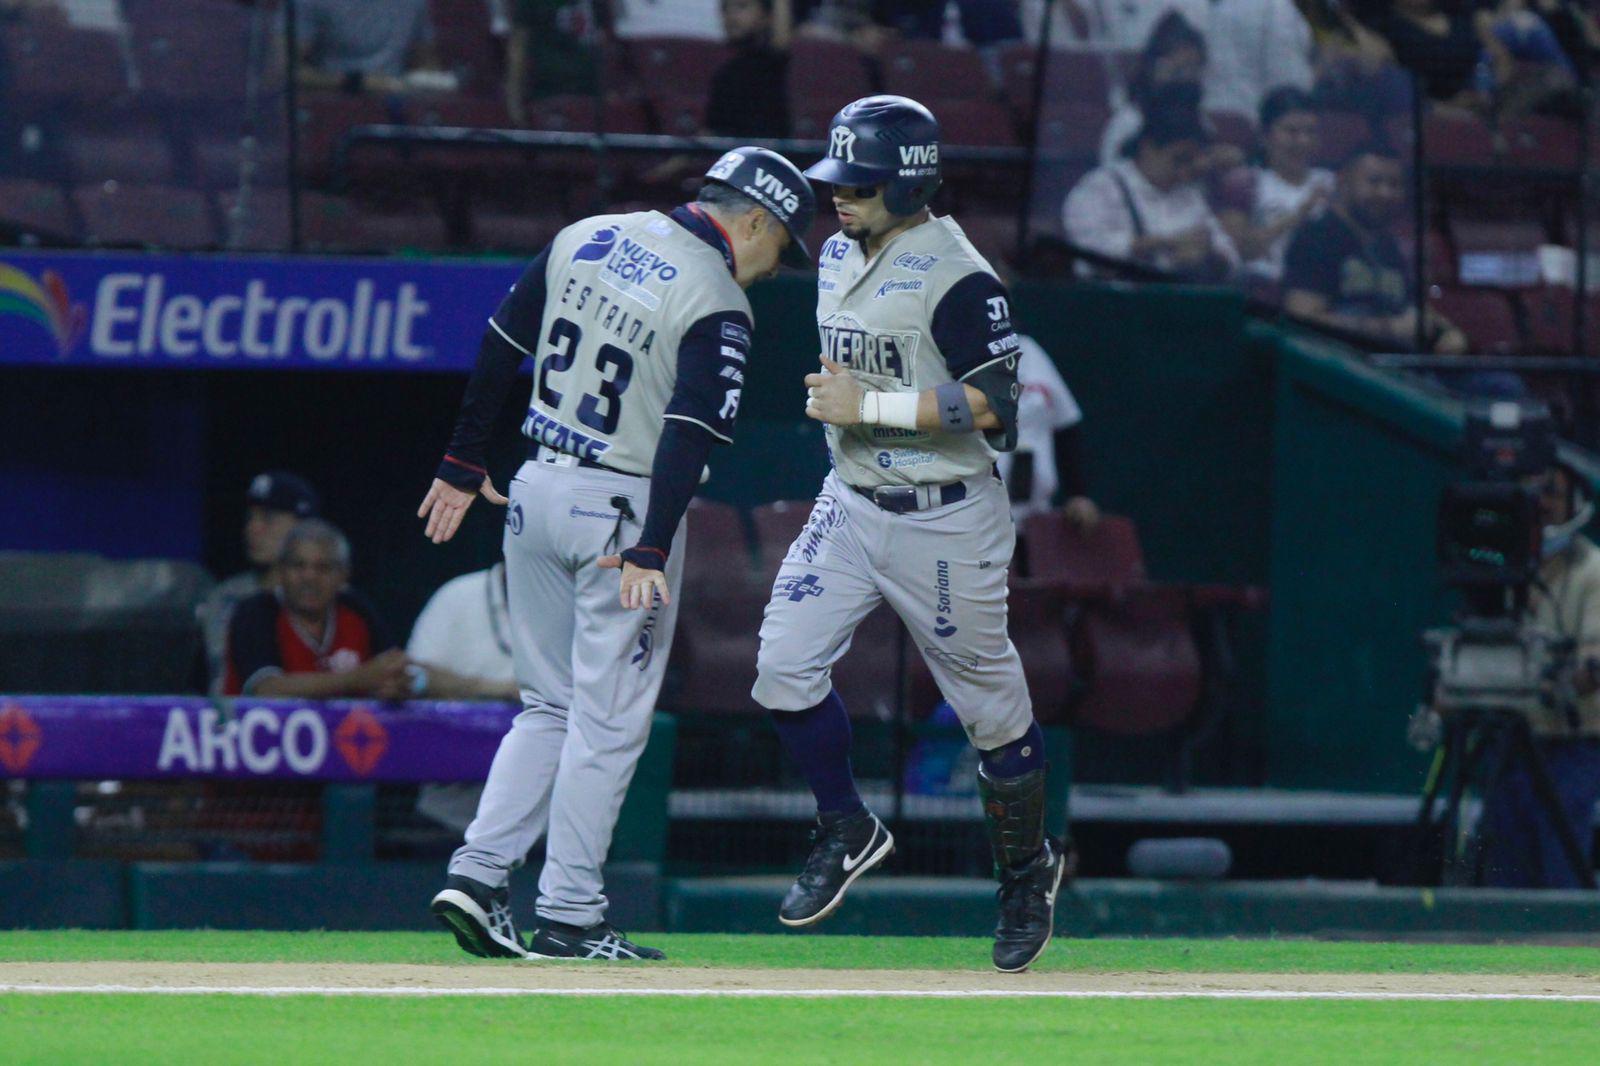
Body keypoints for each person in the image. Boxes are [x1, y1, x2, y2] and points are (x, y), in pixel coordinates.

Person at [417, 149, 816, 961]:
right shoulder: (716, 297)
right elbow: (690, 432)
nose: (776, 268)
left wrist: (462, 460)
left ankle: (480, 872)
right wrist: (653, 543)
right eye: (780, 247)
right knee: (608, 720)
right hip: (623, 511)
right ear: (752, 222)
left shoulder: (588, 233)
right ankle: (569, 913)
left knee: (547, 705)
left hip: (534, 487)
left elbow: (499, 344)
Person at [756, 94, 1068, 974]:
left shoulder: (958, 273)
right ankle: (847, 827)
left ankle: (1024, 873)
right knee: (781, 668)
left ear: (910, 183)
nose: (838, 198)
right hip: (852, 499)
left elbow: (999, 409)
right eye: (837, 181)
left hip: (946, 516)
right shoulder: (832, 253)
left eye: (858, 185)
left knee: (991, 716)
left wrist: (874, 405)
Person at [1479, 460, 1600, 888]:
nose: (1542, 503)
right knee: (1506, 874)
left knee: (1560, 874)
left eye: (1552, 492)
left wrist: (1562, 675)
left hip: (1569, 747)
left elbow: (1593, 664)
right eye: (1534, 492)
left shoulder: (1592, 569)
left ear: (1575, 503)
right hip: (1510, 745)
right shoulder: (1504, 565)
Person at [1282, 144, 1467, 354]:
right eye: (1374, 182)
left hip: (1400, 366)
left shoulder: (1388, 247)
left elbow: (1410, 308)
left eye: (1394, 184)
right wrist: (1388, 329)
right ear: (1343, 181)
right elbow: (1302, 321)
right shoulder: (1317, 238)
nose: (1385, 193)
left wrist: (1446, 331)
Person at [222, 519, 413, 699]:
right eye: (298, 566)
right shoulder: (255, 612)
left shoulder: (356, 607)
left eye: (323, 568)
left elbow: (394, 667)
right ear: (280, 571)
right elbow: (266, 690)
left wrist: (395, 686)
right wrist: (358, 679)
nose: (310, 577)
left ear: (343, 575)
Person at [1064, 102, 1240, 280]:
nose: (1184, 172)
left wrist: (1207, 254)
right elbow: (1088, 252)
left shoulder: (1189, 195)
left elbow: (1230, 258)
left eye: (1191, 163)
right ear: (1147, 148)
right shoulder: (1100, 187)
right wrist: (1163, 243)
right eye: (1179, 160)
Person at [408, 562, 522, 834]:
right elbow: (414, 677)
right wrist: (499, 690)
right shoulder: (458, 595)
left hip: (541, 824)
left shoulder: (567, 599)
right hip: (448, 814)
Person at [198, 471, 320, 693]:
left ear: (304, 527)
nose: (252, 528)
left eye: (268, 518)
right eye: (250, 518)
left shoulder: (334, 597)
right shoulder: (227, 597)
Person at [1214, 86, 1335, 287]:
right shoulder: (1243, 182)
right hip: (1263, 288)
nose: (1303, 141)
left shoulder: (1331, 182)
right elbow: (1239, 252)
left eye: (1310, 132)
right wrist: (1298, 215)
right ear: (1264, 134)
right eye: (1292, 132)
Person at [997, 335, 1098, 535]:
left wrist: (1078, 493)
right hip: (976, 523)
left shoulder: (1029, 352)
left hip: (1036, 517)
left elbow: (1066, 426)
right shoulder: (948, 359)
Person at [294, 0, 458, 95]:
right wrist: (356, 82)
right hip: (332, 107)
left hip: (397, 113)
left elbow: (425, 61)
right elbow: (284, 72)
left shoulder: (414, 2)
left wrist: (432, 81)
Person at [506, 0, 605, 127]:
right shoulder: (531, 4)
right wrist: (514, 99)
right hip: (547, 96)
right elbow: (518, 51)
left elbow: (603, 39)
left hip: (589, 97)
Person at [706, 0, 793, 139]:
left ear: (767, 16)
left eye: (742, 6)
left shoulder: (771, 62)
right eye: (725, 9)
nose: (731, 16)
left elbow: (781, 39)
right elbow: (711, 130)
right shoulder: (724, 73)